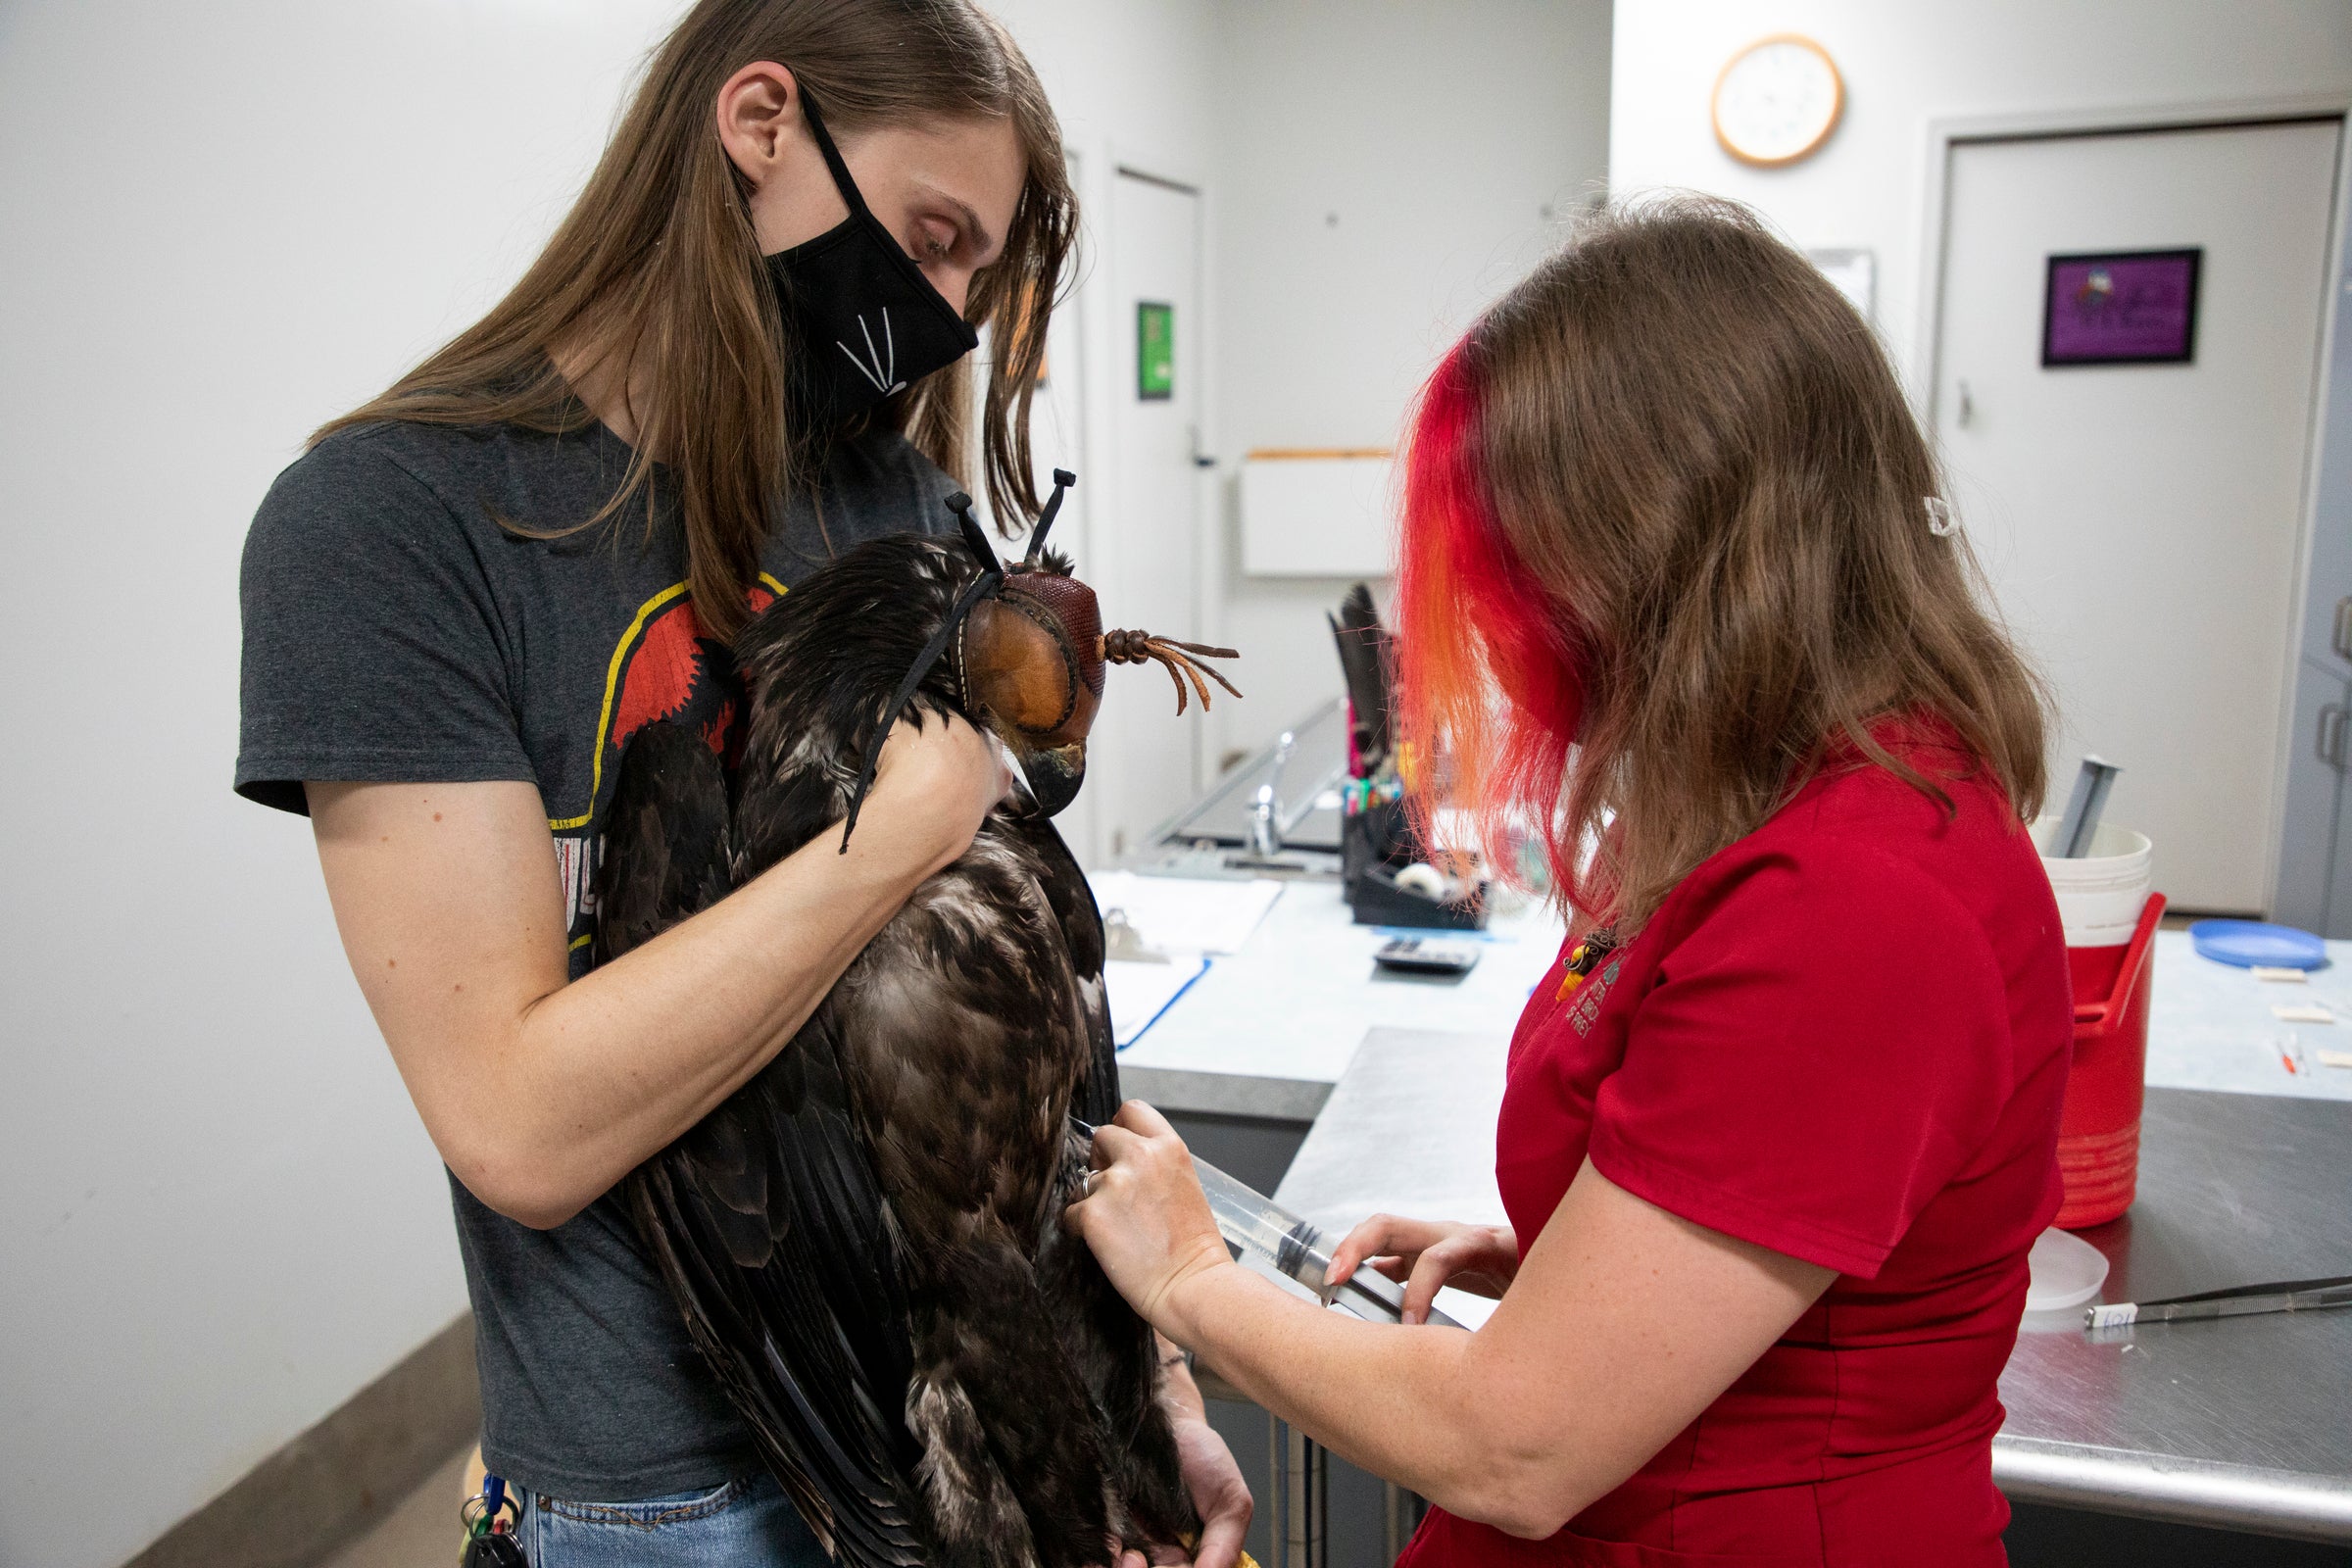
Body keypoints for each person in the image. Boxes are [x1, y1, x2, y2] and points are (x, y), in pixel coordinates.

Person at [234, 3, 1248, 1563]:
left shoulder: (900, 504)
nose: (947, 312)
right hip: (670, 1500)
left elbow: (1032, 999)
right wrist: (887, 842)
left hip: (985, 1426)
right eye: (932, 235)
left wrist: (1144, 1383)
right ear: (761, 125)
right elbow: (518, 1126)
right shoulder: (394, 526)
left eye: (977, 273)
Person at [1070, 196, 2071, 1567]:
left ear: (1675, 554)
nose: (1511, 626)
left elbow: (1518, 1448)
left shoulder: (1857, 900)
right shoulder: (1784, 798)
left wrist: (1193, 1281)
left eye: (1528, 572)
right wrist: (1588, 1265)